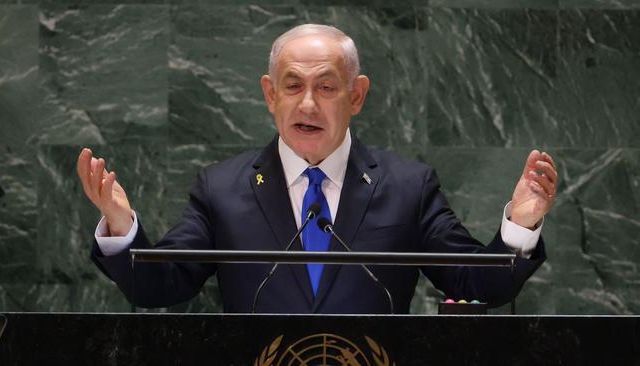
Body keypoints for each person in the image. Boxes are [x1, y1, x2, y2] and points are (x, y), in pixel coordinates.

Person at [77, 24, 558, 314]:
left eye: (327, 87)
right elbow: (161, 286)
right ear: (270, 95)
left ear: (356, 96)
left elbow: (477, 283)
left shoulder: (408, 187)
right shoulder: (221, 189)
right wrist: (121, 227)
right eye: (292, 87)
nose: (307, 104)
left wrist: (520, 225)